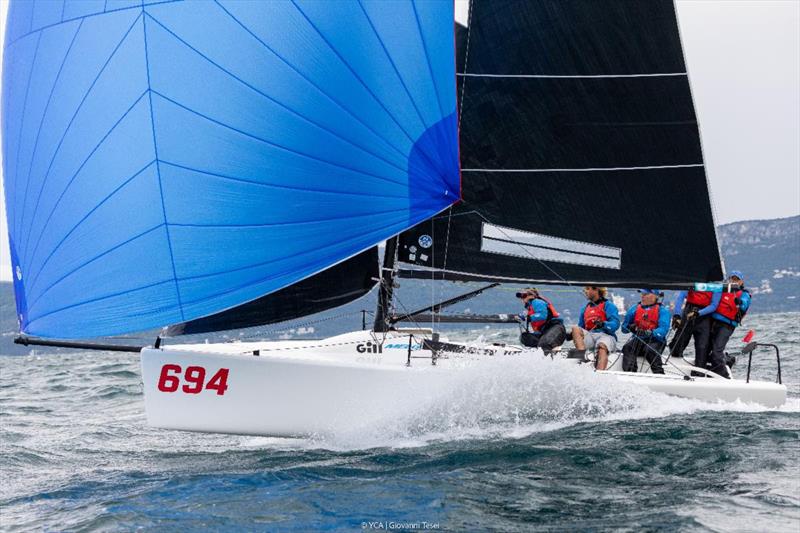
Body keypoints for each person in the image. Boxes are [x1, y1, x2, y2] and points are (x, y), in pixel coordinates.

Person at [707, 271, 751, 378]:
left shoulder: (744, 294)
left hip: (726, 326)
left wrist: (739, 302)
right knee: (705, 350)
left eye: (737, 279)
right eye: (732, 279)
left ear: (741, 282)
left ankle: (725, 377)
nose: (734, 281)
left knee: (716, 353)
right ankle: (725, 361)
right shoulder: (723, 290)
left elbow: (744, 304)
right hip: (713, 322)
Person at [621, 289, 671, 374]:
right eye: (642, 294)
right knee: (627, 347)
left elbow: (663, 329)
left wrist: (650, 332)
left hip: (656, 341)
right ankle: (631, 372)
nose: (642, 296)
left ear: (655, 296)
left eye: (646, 294)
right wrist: (631, 327)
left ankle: (659, 374)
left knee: (649, 350)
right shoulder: (634, 309)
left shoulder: (663, 311)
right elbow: (624, 328)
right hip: (639, 339)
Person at [668, 288, 721, 366]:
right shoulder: (693, 279)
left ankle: (699, 371)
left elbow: (714, 306)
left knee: (702, 347)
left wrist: (698, 313)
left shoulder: (716, 286)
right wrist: (677, 315)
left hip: (704, 316)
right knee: (678, 343)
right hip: (689, 311)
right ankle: (674, 353)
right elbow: (681, 297)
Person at [571, 286, 620, 370]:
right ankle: (581, 360)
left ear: (596, 290)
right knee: (575, 328)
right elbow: (581, 327)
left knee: (602, 345)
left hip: (606, 336)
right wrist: (571, 335)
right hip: (590, 336)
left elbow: (615, 324)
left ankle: (599, 374)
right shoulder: (585, 308)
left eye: (587, 289)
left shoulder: (609, 305)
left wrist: (603, 324)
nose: (585, 291)